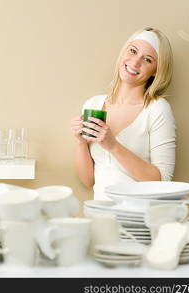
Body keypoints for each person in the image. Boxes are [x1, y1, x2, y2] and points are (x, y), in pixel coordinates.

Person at [70, 27, 176, 200]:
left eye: (147, 60)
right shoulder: (93, 104)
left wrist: (113, 146)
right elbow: (88, 180)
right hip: (101, 215)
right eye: (133, 51)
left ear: (156, 70)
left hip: (139, 217)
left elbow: (162, 181)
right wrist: (81, 143)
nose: (135, 63)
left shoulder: (157, 109)